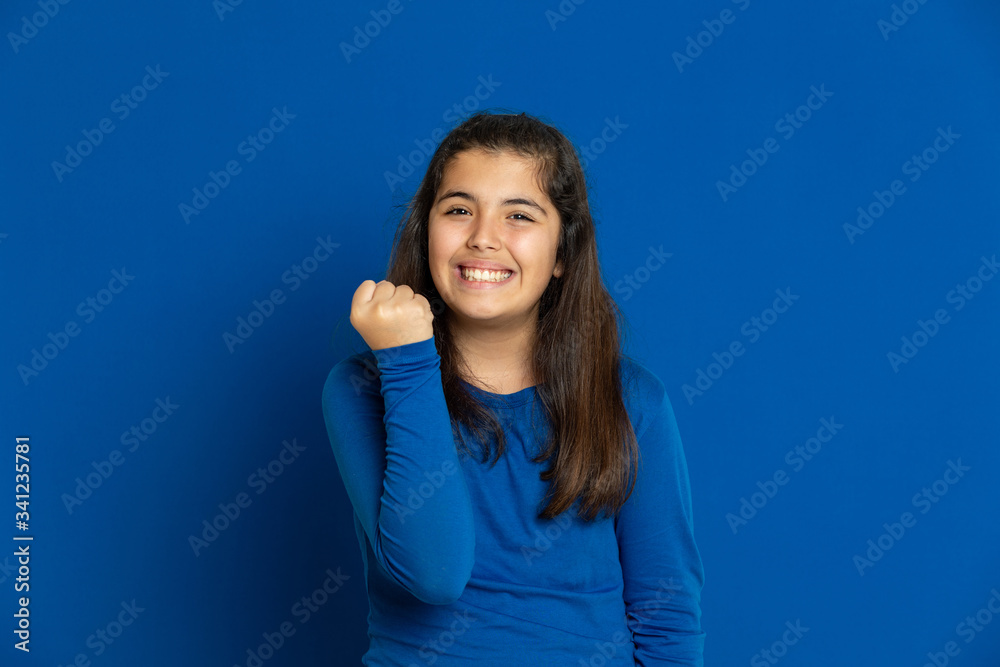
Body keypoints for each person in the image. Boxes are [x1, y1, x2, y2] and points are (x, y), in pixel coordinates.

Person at [321, 110, 705, 665]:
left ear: (562, 255)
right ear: (426, 232)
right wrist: (406, 361)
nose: (483, 238)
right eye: (459, 210)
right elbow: (434, 574)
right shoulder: (362, 389)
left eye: (519, 216)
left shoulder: (632, 401)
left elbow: (667, 616)